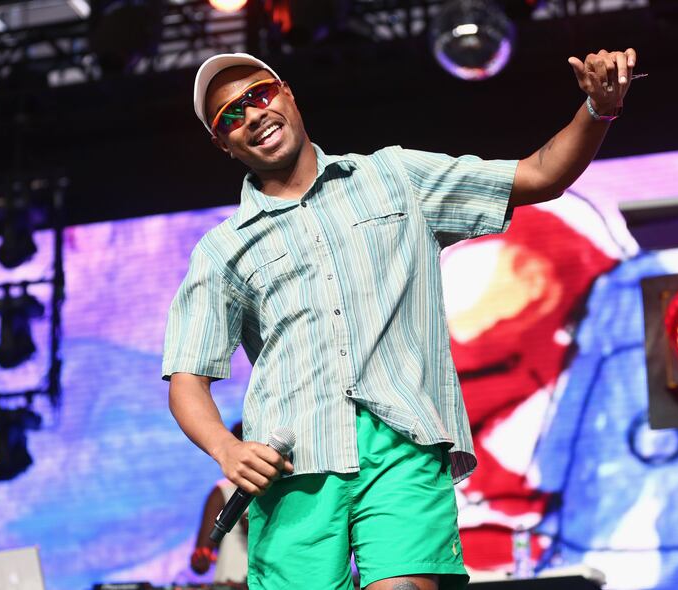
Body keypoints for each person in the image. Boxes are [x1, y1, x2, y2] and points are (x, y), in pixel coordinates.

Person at [163, 47, 638, 590]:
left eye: (259, 94)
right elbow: (186, 379)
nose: (252, 115)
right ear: (222, 143)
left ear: (287, 92)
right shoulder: (222, 251)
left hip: (401, 441)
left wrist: (598, 109)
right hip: (293, 467)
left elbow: (539, 175)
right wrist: (227, 447)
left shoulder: (395, 177)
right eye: (230, 115)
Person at [190, 422, 249, 587]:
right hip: (231, 583)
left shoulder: (279, 489)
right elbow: (200, 559)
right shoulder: (222, 492)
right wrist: (202, 556)